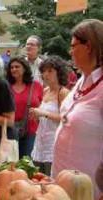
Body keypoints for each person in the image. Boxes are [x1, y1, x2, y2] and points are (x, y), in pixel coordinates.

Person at [52, 19, 103, 199]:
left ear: (88, 46)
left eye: (73, 46)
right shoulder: (82, 80)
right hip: (61, 181)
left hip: (88, 189)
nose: (70, 51)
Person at [29, 56, 69, 176]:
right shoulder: (46, 91)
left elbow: (65, 119)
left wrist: (43, 113)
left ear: (59, 72)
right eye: (44, 71)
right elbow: (44, 118)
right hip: (40, 141)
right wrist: (36, 116)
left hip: (54, 143)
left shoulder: (63, 92)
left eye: (50, 71)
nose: (46, 74)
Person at [6, 56, 43, 158]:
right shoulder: (6, 86)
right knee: (11, 162)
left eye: (17, 67)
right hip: (9, 131)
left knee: (27, 162)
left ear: (25, 68)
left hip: (31, 130)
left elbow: (43, 106)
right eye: (11, 67)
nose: (14, 69)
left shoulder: (36, 86)